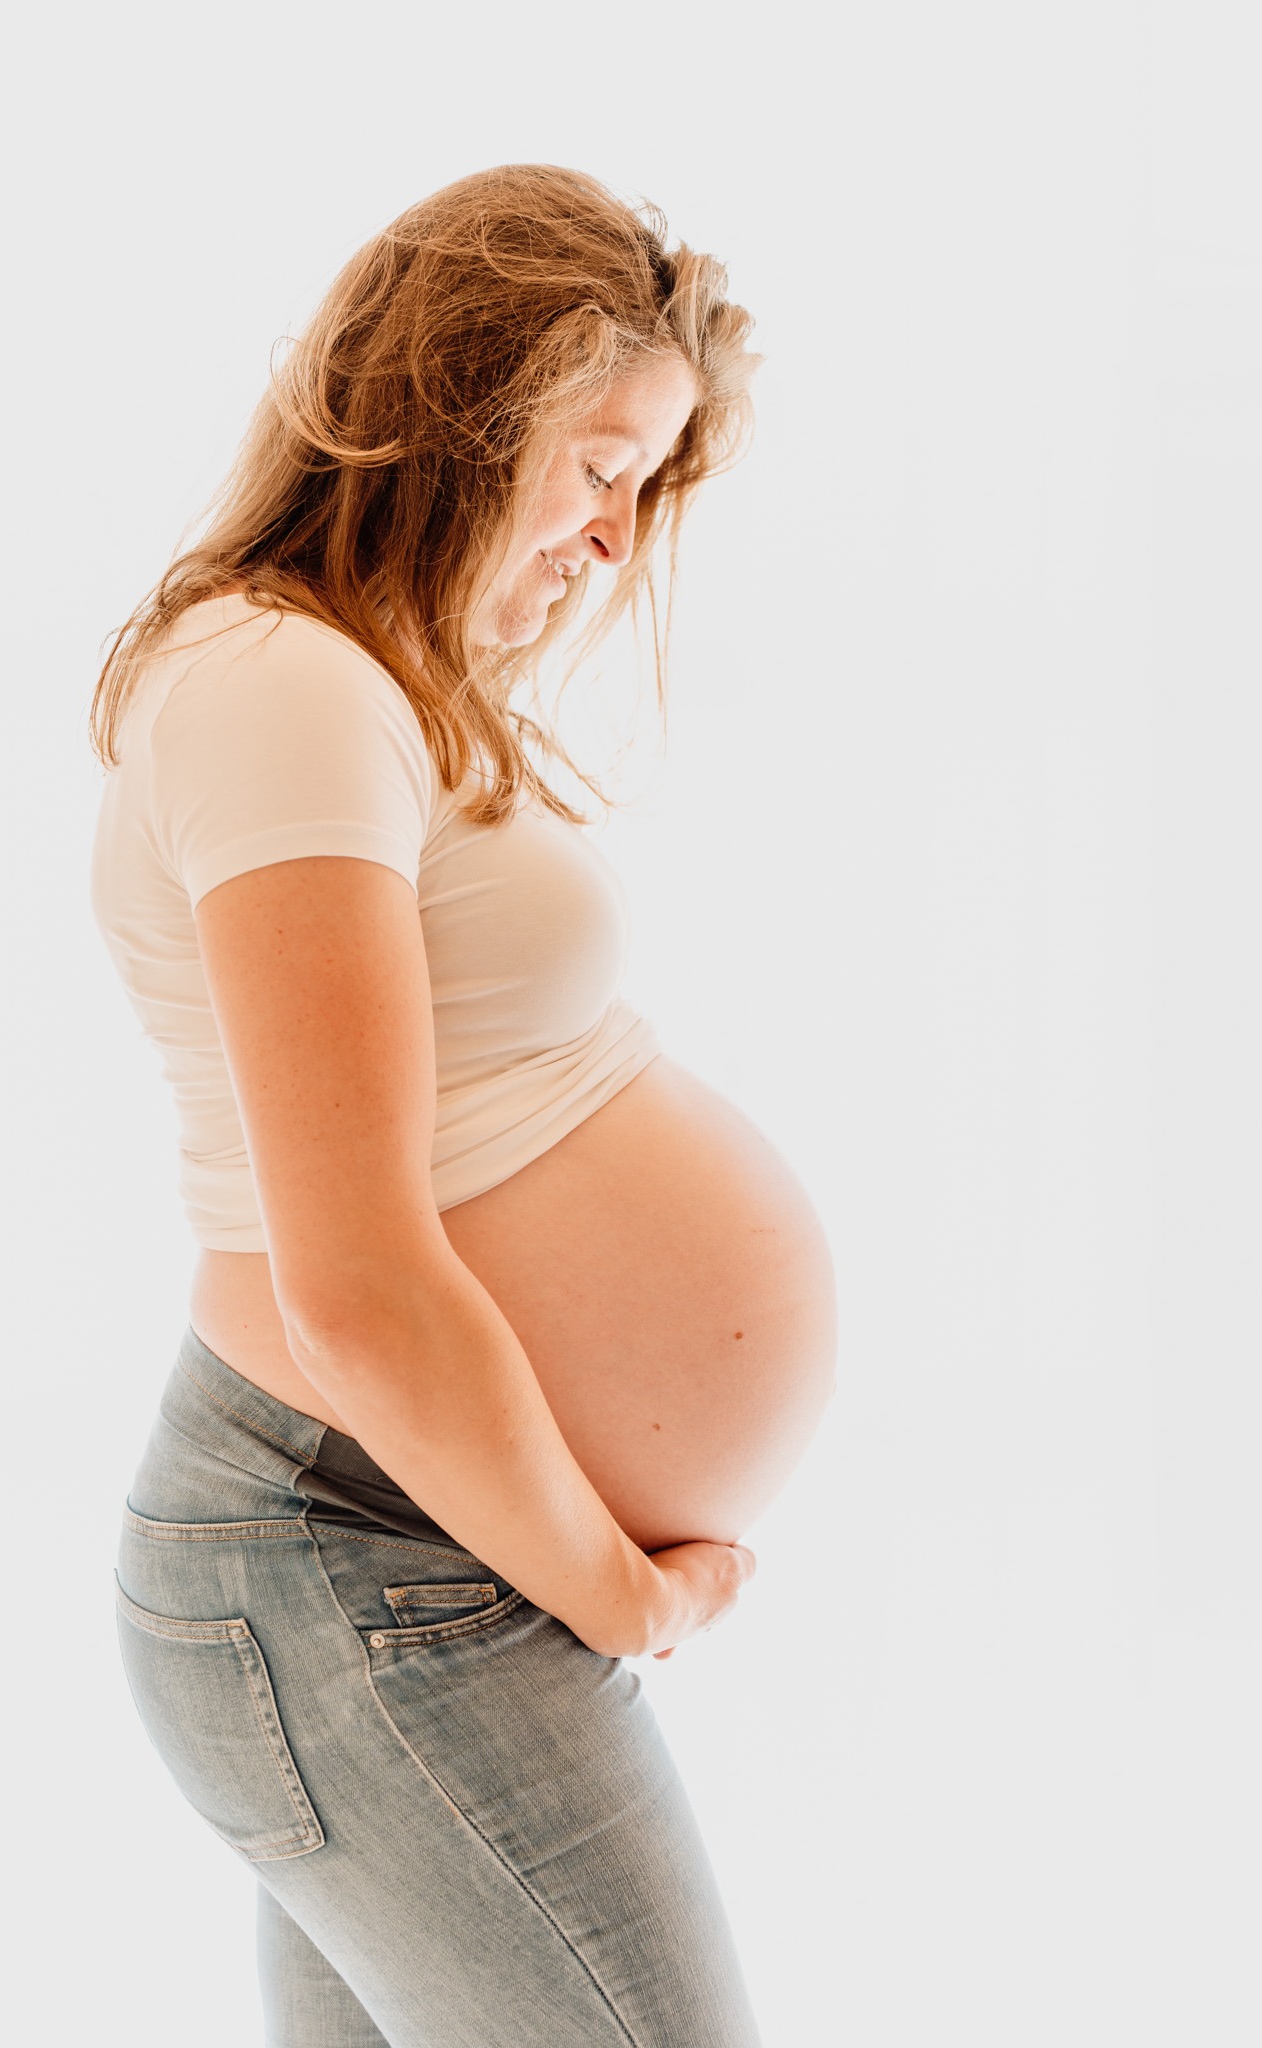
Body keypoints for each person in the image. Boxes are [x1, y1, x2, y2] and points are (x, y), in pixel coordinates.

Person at [89, 161, 838, 2048]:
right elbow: (351, 1280)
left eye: (645, 487)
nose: (615, 534)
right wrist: (612, 1593)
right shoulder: (274, 686)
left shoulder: (355, 686)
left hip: (397, 1544)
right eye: (598, 463)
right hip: (358, 1546)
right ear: (467, 405)